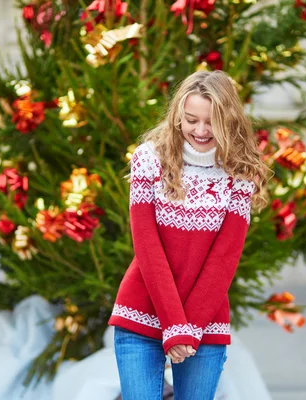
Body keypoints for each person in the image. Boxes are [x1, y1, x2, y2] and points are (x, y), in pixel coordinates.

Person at [108, 70, 271, 400]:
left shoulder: (239, 173)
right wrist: (173, 325)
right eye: (190, 119)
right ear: (177, 117)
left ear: (228, 121)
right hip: (141, 311)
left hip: (205, 321)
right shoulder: (149, 159)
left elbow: (223, 259)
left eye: (211, 122)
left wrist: (189, 328)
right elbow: (147, 246)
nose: (200, 130)